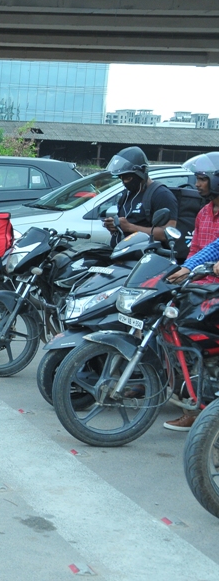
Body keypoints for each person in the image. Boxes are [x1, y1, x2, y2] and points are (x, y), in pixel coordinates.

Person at [163, 153, 219, 430]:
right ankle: (188, 397)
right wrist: (185, 271)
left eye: (202, 179)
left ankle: (201, 409)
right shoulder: (203, 213)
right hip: (201, 284)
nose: (196, 184)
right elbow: (198, 249)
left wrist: (194, 268)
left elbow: (215, 249)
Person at [102, 146, 178, 247]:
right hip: (120, 254)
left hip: (145, 258)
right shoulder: (127, 195)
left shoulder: (161, 194)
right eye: (121, 178)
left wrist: (130, 227)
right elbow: (123, 230)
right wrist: (114, 227)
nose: (124, 182)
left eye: (128, 178)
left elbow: (168, 233)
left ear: (142, 173)